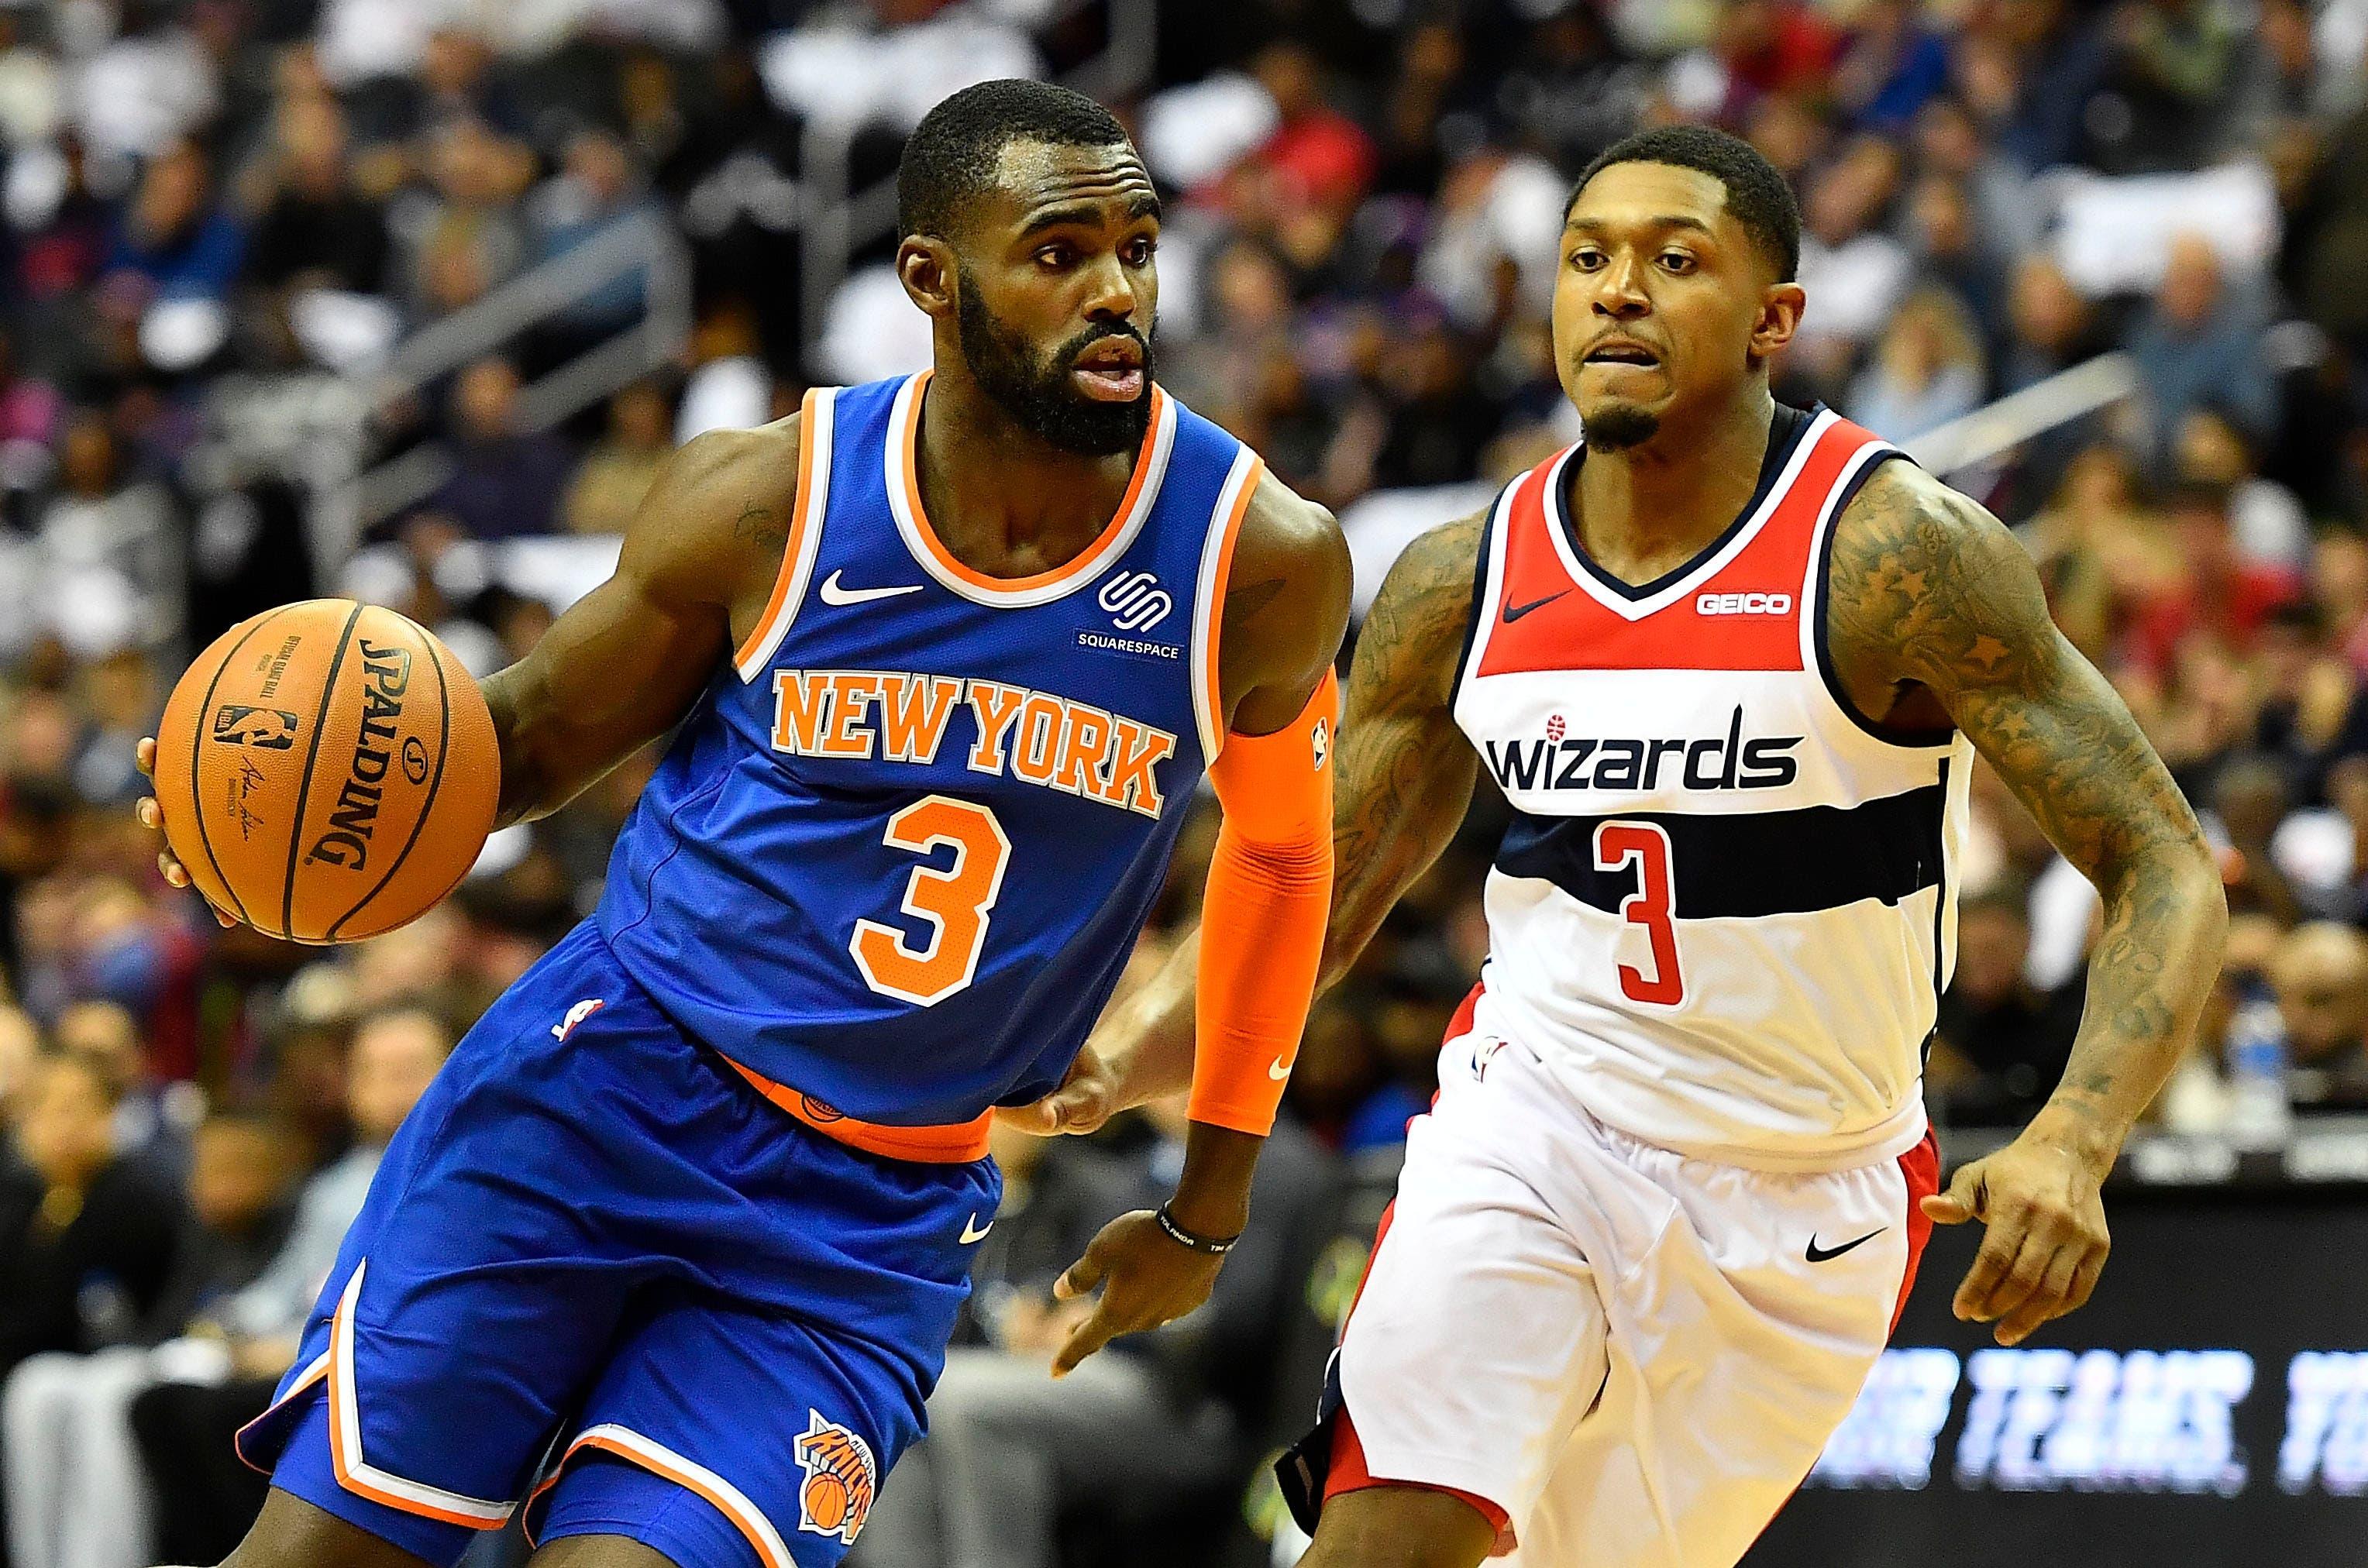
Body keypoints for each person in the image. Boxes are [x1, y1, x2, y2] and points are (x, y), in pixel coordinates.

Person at [136, 78, 1348, 1568]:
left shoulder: (1259, 556)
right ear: (929, 278)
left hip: (867, 1212)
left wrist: (1208, 1209)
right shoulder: (772, 498)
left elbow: (1288, 852)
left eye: (1137, 246)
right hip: (609, 1090)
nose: (1115, 291)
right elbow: (515, 744)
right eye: (1057, 251)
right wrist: (265, 824)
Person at [1030, 126, 2229, 1568]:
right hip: (1535, 1123)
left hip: (1810, 1193)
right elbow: (1318, 900)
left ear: (1774, 320)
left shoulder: (1893, 553)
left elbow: (2163, 862)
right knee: (1382, 1535)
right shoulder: (1465, 577)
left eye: (1676, 262)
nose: (1618, 292)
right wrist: (1115, 1055)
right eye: (1588, 259)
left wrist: (2075, 1142)